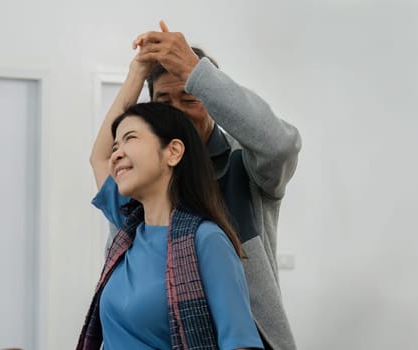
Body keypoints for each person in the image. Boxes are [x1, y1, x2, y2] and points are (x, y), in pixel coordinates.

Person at [88, 21, 301, 350]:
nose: (179, 114)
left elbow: (280, 146)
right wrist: (137, 72)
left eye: (190, 99)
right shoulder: (135, 206)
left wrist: (194, 70)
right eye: (164, 102)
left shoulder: (240, 168)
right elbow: (102, 157)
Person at [78, 102, 264, 350]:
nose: (115, 154)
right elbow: (98, 159)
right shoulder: (128, 234)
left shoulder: (206, 239)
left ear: (173, 152)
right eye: (115, 146)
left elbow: (240, 343)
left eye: (129, 138)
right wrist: (137, 71)